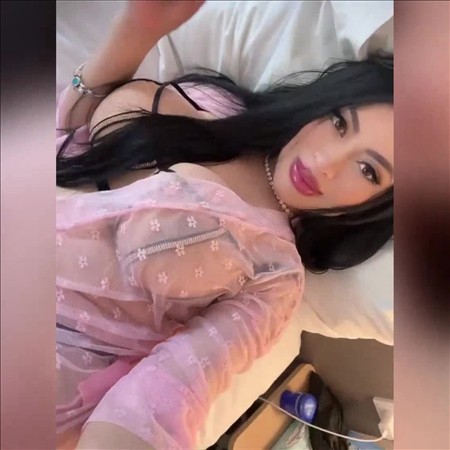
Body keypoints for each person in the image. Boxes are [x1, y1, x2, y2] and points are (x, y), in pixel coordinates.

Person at [56, 2, 393, 449]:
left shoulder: (275, 278)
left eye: (368, 171)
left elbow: (162, 399)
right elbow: (73, 134)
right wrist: (136, 33)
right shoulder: (219, 103)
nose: (326, 161)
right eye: (338, 123)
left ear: (377, 206)